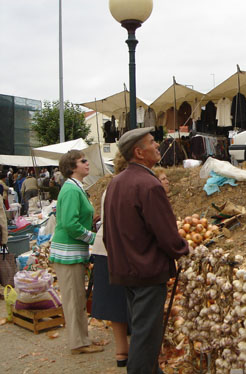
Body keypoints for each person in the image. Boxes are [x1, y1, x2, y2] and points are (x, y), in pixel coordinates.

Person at [104, 128, 189, 374]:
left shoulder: (116, 183)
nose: (157, 146)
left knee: (143, 328)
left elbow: (108, 231)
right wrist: (182, 249)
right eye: (152, 143)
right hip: (147, 271)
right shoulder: (149, 185)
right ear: (139, 152)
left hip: (125, 269)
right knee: (146, 336)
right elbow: (165, 232)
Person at [48, 150, 103, 355]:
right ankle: (78, 343)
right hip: (67, 253)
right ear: (72, 167)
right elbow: (70, 224)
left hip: (73, 252)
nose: (87, 163)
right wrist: (93, 237)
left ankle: (83, 339)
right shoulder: (72, 190)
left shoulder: (76, 188)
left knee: (78, 298)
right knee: (73, 299)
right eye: (83, 161)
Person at [90, 150, 130, 368]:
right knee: (127, 300)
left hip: (104, 247)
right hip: (119, 249)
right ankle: (129, 351)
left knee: (116, 303)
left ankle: (121, 351)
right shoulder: (127, 185)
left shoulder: (110, 187)